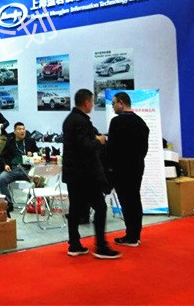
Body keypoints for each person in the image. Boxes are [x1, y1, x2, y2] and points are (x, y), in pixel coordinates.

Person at [63, 89, 120, 259]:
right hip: (84, 174)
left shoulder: (70, 119)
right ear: (87, 102)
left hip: (73, 173)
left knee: (75, 209)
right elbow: (85, 146)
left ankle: (74, 244)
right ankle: (101, 246)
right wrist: (99, 141)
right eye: (92, 102)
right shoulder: (80, 121)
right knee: (100, 207)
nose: (93, 105)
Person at [107, 92, 150, 247]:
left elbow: (111, 148)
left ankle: (131, 236)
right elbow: (144, 148)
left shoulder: (116, 122)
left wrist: (109, 166)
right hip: (137, 166)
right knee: (135, 199)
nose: (112, 107)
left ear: (121, 103)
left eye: (113, 103)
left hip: (121, 168)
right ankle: (135, 234)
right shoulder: (141, 122)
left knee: (126, 201)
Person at [0, 122, 38, 214]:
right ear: (15, 131)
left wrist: (32, 154)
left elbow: (38, 152)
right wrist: (5, 165)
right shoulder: (10, 142)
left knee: (40, 179)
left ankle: (31, 202)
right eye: (19, 129)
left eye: (23, 129)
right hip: (13, 169)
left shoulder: (30, 141)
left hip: (27, 170)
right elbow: (3, 156)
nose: (22, 131)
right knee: (1, 178)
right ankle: (8, 203)